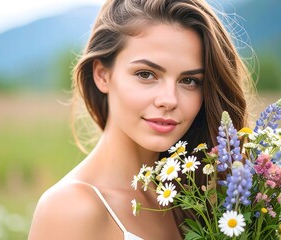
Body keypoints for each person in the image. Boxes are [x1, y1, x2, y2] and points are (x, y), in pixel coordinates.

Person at [28, 0, 253, 239]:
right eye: (146, 74)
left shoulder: (200, 198)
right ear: (102, 75)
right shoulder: (70, 209)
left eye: (189, 81)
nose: (169, 100)